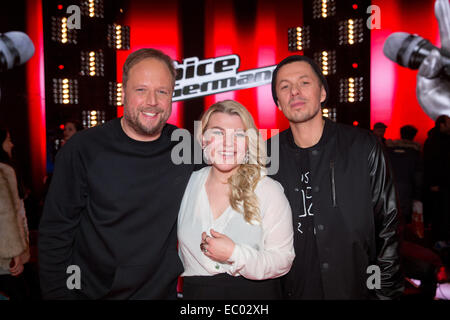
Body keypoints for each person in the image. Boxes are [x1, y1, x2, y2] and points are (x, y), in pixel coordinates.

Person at [39, 48, 194, 299]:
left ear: (172, 96)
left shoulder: (187, 147)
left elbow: (236, 171)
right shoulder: (83, 149)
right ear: (123, 93)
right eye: (141, 90)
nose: (152, 101)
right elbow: (56, 233)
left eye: (162, 91)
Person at [268, 55, 403, 299]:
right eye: (284, 86)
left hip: (355, 290)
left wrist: (386, 294)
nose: (295, 92)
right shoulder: (265, 157)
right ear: (278, 102)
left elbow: (388, 227)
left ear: (322, 93)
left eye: (304, 82)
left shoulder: (363, 146)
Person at [178, 100, 295, 300]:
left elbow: (283, 260)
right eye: (217, 132)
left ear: (249, 142)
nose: (227, 143)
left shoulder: (268, 190)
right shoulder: (185, 185)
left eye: (239, 135)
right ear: (203, 139)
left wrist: (235, 254)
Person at [0, 128, 30, 300]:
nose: (11, 145)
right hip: (5, 256)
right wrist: (15, 252)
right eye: (8, 140)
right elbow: (5, 215)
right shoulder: (4, 171)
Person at [423, 115, 450, 247]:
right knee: (440, 211)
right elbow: (430, 163)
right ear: (442, 125)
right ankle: (439, 239)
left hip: (443, 183)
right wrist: (432, 183)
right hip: (439, 184)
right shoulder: (434, 141)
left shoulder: (439, 140)